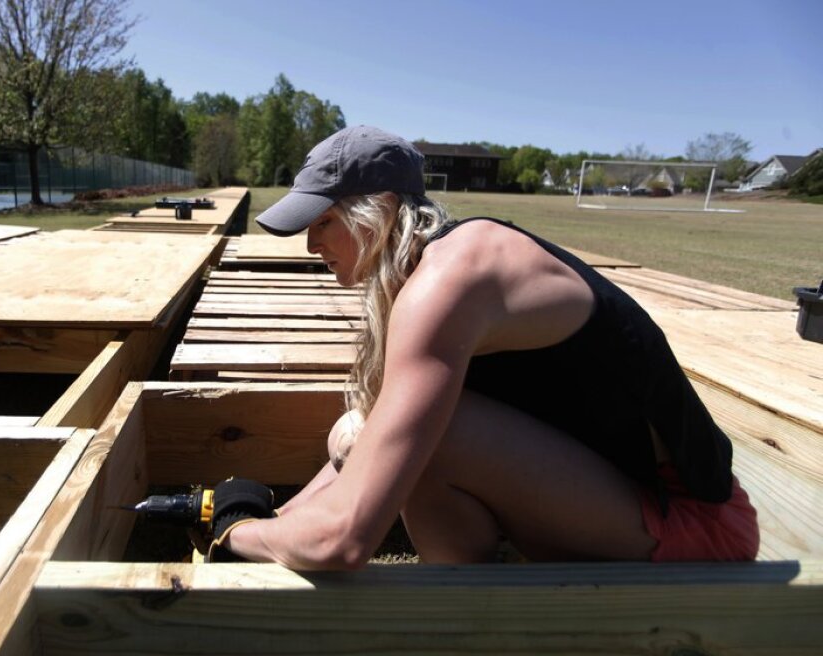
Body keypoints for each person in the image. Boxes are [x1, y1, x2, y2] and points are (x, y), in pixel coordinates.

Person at [211, 125, 759, 569]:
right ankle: (473, 599)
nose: (311, 244)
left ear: (377, 208)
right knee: (358, 433)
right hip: (625, 501)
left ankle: (466, 623)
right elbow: (374, 444)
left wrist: (242, 535)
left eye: (324, 221)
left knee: (429, 441)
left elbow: (343, 541)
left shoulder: (448, 287)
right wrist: (278, 517)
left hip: (699, 529)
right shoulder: (448, 262)